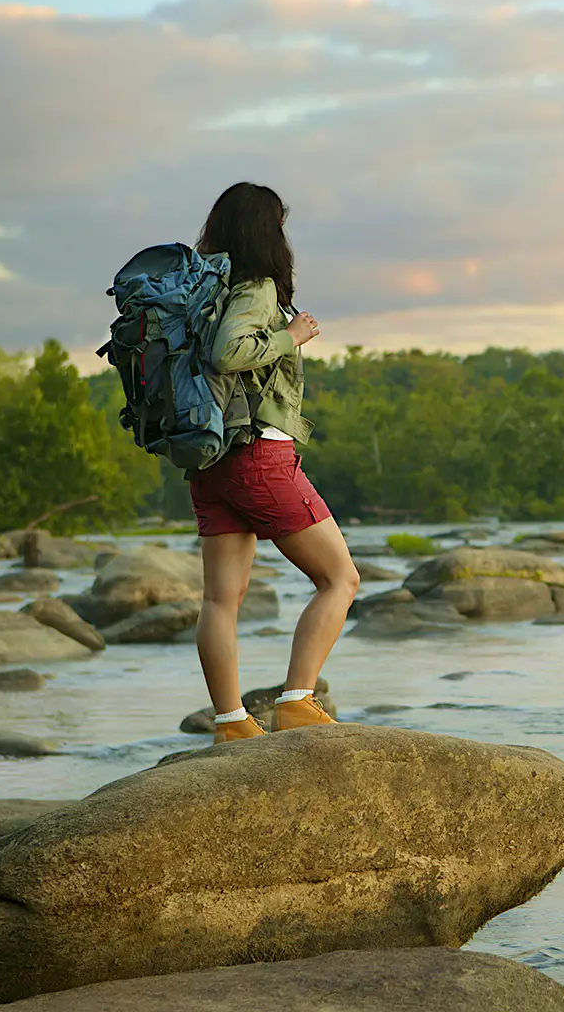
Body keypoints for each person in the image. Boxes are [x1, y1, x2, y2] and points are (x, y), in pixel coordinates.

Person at [187, 182, 360, 744]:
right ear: (268, 231)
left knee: (220, 599)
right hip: (259, 457)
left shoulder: (201, 288)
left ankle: (232, 722)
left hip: (211, 460)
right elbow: (228, 352)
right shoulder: (254, 287)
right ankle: (297, 701)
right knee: (340, 578)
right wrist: (291, 335)